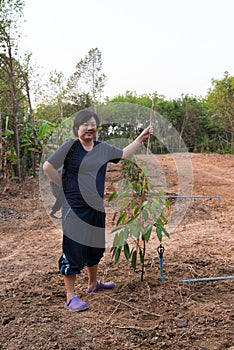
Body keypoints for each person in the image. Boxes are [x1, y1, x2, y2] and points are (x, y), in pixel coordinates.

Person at [43, 109, 153, 311]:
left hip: (96, 206)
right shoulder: (70, 148)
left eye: (93, 124)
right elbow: (48, 166)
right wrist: (62, 187)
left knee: (95, 247)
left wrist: (140, 139)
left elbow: (123, 154)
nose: (89, 128)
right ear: (77, 128)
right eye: (85, 124)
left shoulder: (101, 149)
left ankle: (93, 284)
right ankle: (70, 296)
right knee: (73, 249)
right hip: (74, 207)